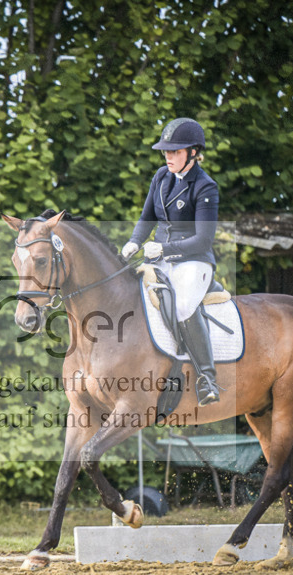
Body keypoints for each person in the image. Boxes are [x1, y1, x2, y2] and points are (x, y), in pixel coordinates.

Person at [121, 117, 221, 406]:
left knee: (182, 305)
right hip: (158, 253)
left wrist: (164, 250)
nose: (168, 157)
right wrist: (133, 243)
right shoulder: (161, 177)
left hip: (194, 261)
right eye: (165, 152)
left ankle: (206, 378)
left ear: (193, 152)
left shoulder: (205, 187)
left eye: (174, 152)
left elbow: (203, 240)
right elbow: (147, 217)